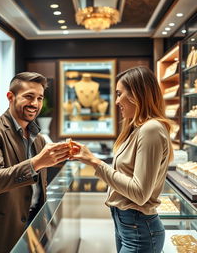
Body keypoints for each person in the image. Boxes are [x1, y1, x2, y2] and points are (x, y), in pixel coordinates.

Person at [0, 72, 71, 253]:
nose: (35, 104)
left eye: (39, 98)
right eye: (29, 96)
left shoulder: (39, 139)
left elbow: (39, 188)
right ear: (10, 97)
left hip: (32, 226)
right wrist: (36, 162)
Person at [71, 66, 173, 253]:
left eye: (119, 94)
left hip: (139, 230)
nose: (116, 101)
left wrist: (95, 162)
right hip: (126, 226)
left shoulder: (151, 129)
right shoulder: (136, 129)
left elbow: (140, 193)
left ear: (137, 94)